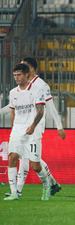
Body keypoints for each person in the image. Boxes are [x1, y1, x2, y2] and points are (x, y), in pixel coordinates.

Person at [2, 57, 66, 198]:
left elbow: (49, 106)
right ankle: (18, 191)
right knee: (20, 157)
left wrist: (59, 126)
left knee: (32, 161)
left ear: (29, 70)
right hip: (20, 127)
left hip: (35, 125)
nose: (18, 74)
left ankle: (46, 184)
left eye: (23, 68)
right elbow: (13, 107)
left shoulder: (41, 86)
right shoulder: (15, 90)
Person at [4, 63, 51, 200]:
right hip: (18, 130)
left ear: (26, 75)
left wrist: (33, 125)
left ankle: (47, 185)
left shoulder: (37, 90)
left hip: (32, 131)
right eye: (15, 75)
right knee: (13, 158)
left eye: (19, 75)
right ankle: (14, 193)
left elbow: (41, 111)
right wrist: (14, 129)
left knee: (35, 166)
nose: (16, 78)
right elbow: (13, 112)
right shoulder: (13, 92)